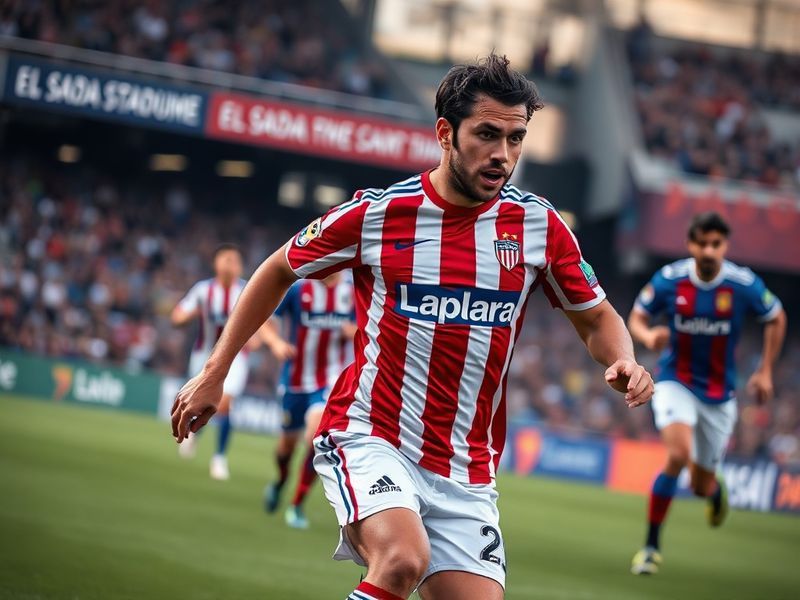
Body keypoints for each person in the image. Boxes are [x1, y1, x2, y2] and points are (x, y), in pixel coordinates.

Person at [171, 54, 654, 600]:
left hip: (466, 466)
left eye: (516, 139)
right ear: (445, 133)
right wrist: (215, 370)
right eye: (488, 134)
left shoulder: (538, 225)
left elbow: (596, 318)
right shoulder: (379, 214)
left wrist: (622, 358)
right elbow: (279, 269)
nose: (503, 155)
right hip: (370, 434)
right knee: (401, 559)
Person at [629, 212, 786, 576]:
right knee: (678, 454)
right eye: (702, 243)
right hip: (674, 381)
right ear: (691, 244)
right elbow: (636, 316)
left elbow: (776, 317)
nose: (709, 251)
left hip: (719, 394)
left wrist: (765, 370)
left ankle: (714, 493)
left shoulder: (742, 284)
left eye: (716, 244)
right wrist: (649, 336)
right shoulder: (669, 280)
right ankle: (651, 547)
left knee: (700, 486)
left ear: (724, 246)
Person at [261, 272, 356, 529]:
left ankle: (297, 504)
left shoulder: (354, 287)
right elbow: (267, 320)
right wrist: (275, 343)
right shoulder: (298, 288)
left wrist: (355, 331)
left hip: (331, 380)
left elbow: (374, 326)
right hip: (295, 380)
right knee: (286, 448)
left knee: (316, 437)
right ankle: (280, 481)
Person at [171, 244, 251, 481]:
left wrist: (265, 339)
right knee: (201, 403)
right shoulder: (203, 290)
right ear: (216, 264)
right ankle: (193, 433)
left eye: (234, 260)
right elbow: (178, 314)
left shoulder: (246, 290)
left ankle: (219, 458)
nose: (230, 264)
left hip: (236, 358)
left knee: (225, 403)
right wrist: (183, 316)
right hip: (204, 355)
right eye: (225, 259)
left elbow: (263, 320)